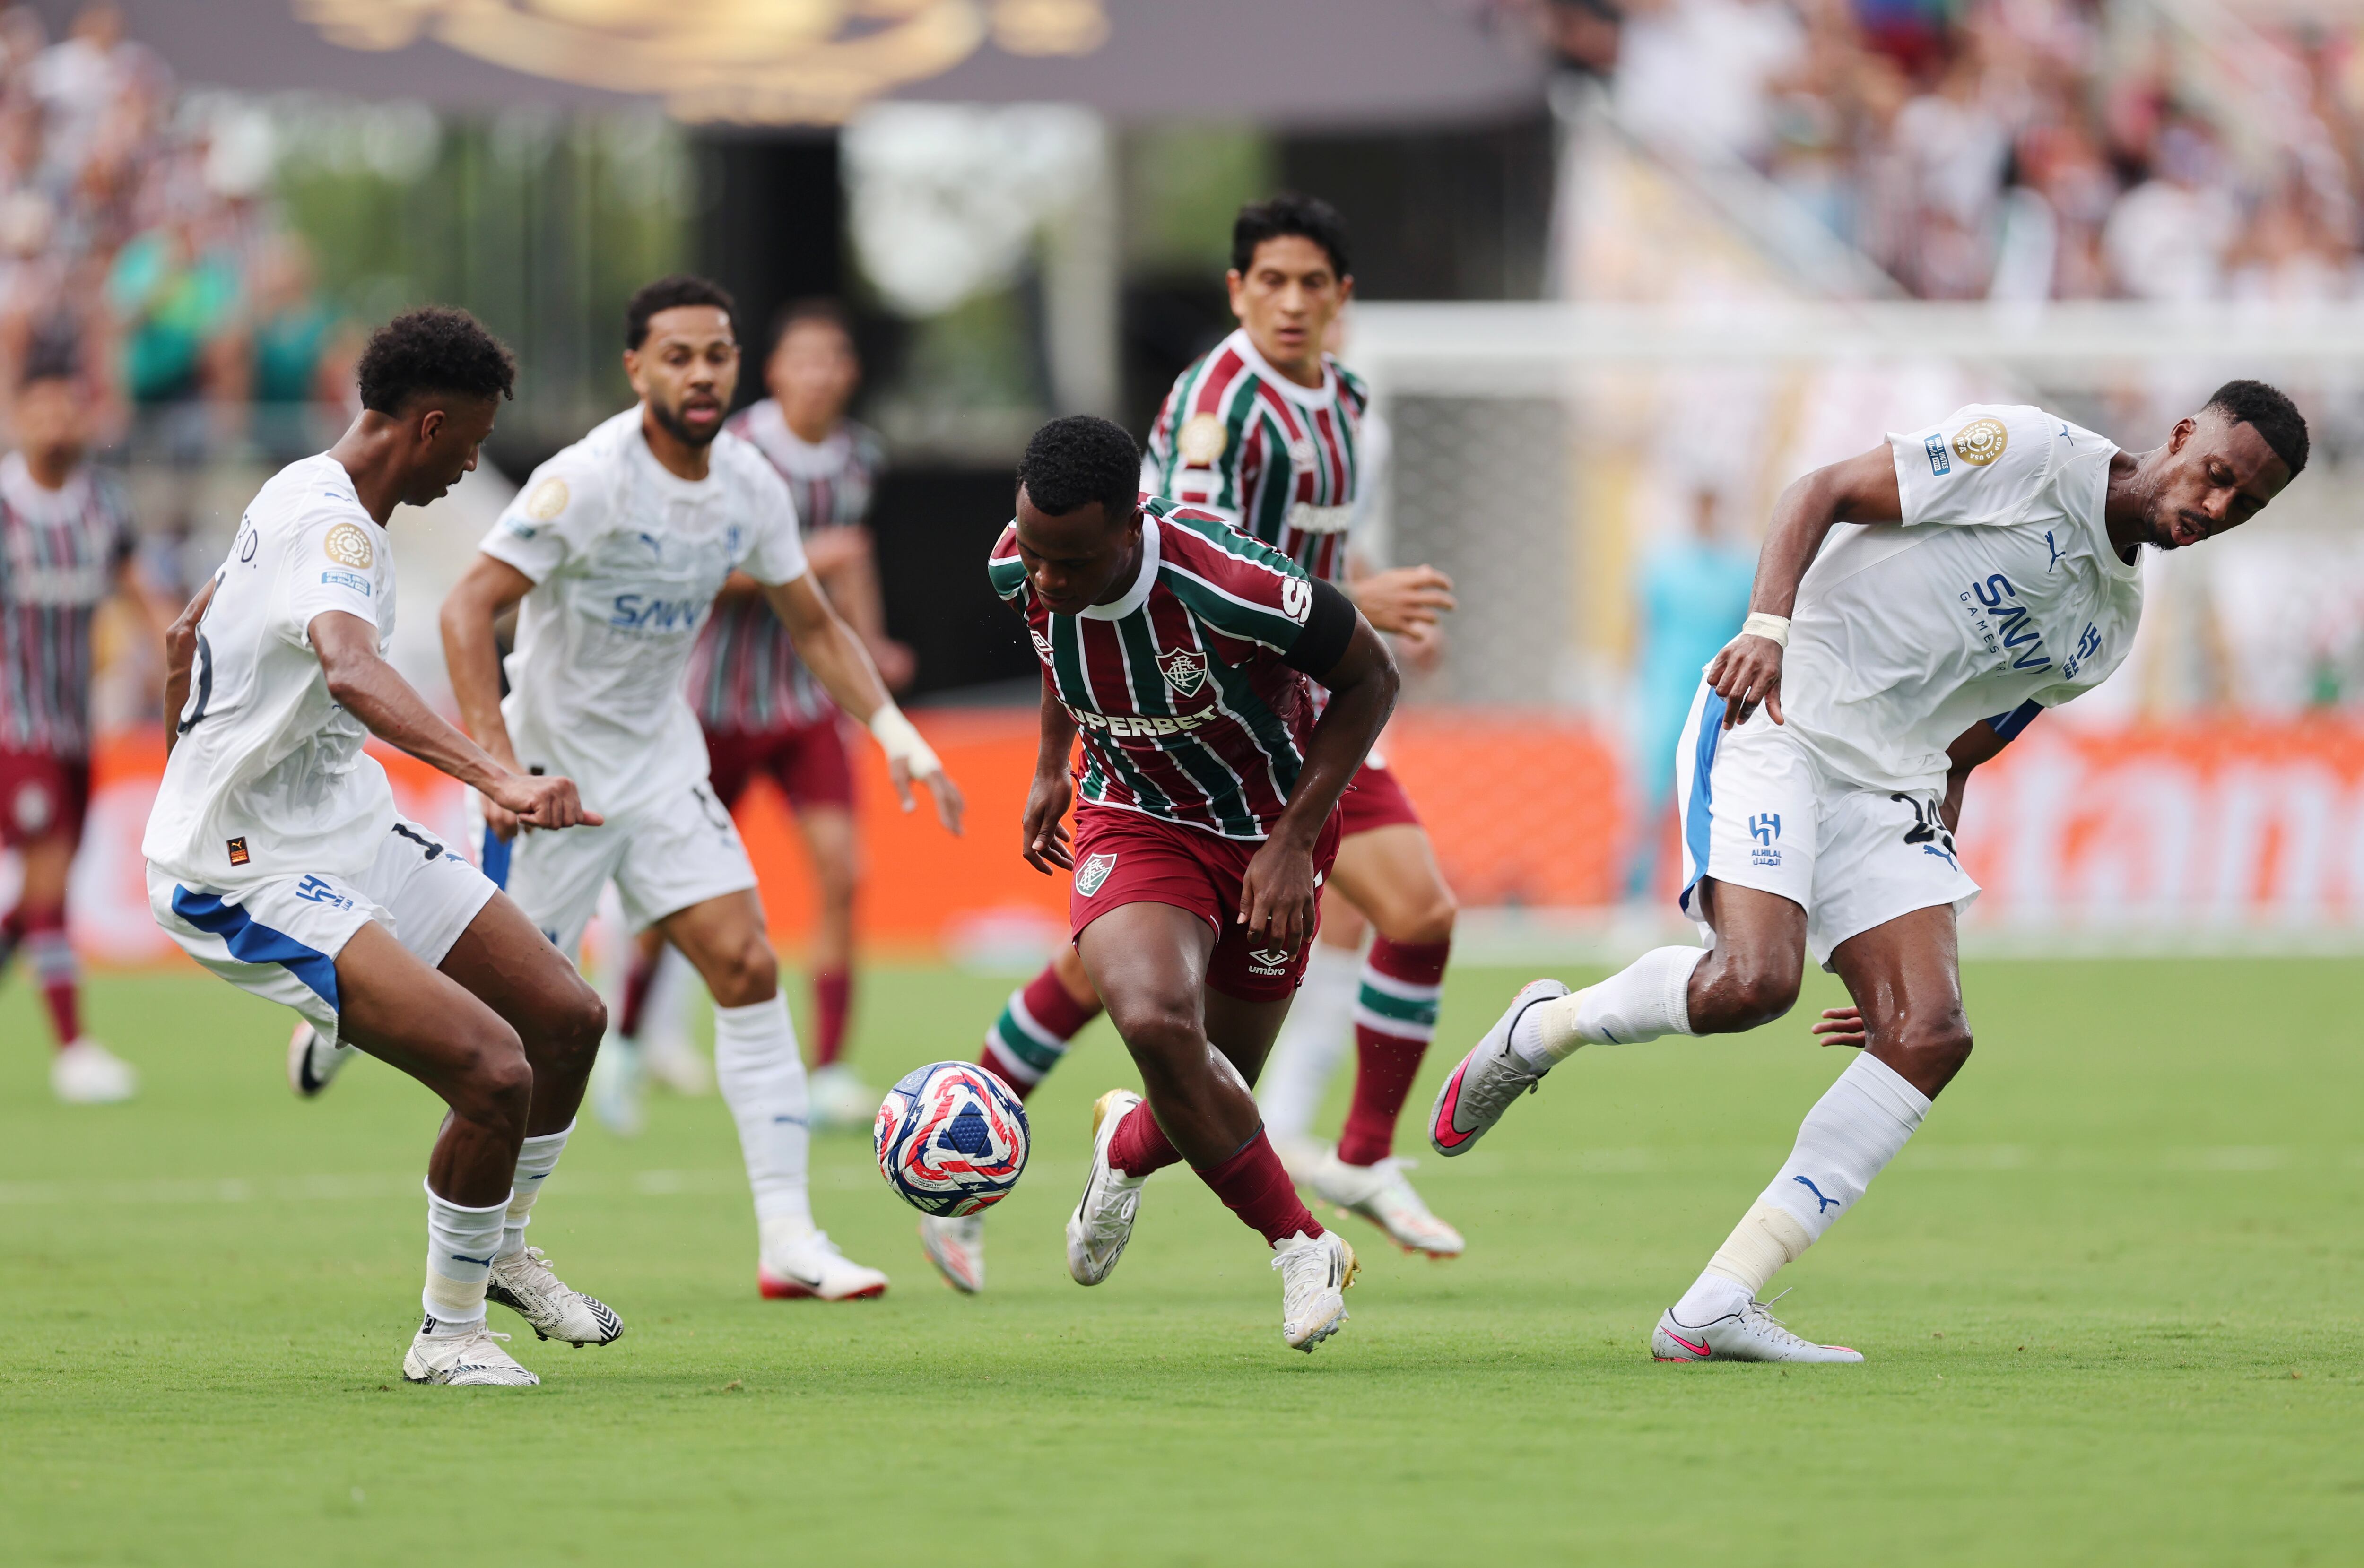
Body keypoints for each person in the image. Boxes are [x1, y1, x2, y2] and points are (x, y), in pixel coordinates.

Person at [1430, 382, 2308, 1361]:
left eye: (2247, 506)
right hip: (1781, 711)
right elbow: (1820, 489)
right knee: (1752, 983)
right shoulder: (2027, 451)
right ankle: (1543, 1026)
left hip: (1886, 784)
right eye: (2219, 476)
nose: (2218, 509)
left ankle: (1716, 1301)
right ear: (2182, 435)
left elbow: (1966, 747)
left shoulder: (2108, 627)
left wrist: (1906, 926)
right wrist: (1765, 627)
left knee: (1927, 1030)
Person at [928, 195, 1460, 1296]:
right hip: (1152, 768)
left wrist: (1353, 620)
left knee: (1209, 1067)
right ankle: (1316, 1211)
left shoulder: (1345, 403)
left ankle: (1127, 1142)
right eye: (1272, 280)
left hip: (1278, 750)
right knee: (1149, 1000)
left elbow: (1280, 586)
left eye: (1314, 282)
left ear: (1341, 296)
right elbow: (1103, 602)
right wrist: (1047, 764)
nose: (1293, 301)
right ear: (1236, 291)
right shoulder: (1217, 408)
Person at [437, 275, 963, 1304]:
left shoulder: (751, 486)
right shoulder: (588, 478)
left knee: (746, 961)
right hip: (553, 784)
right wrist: (496, 763)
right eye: (677, 355)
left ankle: (789, 1238)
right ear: (637, 369)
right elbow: (468, 609)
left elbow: (812, 621)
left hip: (662, 767)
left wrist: (895, 732)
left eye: (716, 353)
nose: (700, 372)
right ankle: (350, 1022)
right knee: (516, 1027)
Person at [145, 307, 618, 1387]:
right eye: (474, 438)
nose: (471, 462)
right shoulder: (342, 533)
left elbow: (185, 635)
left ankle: (500, 1245)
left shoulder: (297, 487)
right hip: (243, 864)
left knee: (567, 1017)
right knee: (493, 1065)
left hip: (345, 821)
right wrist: (496, 774)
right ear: (434, 422)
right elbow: (353, 669)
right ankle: (447, 1332)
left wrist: (191, 739)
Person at [992, 414, 1399, 1351]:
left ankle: (1122, 1147)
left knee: (1211, 1087)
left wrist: (1294, 839)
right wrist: (1053, 759)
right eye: (1035, 553)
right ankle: (1301, 1245)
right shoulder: (1020, 563)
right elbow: (1060, 646)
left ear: (1131, 522)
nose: (1045, 577)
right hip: (1132, 817)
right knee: (1156, 1022)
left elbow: (1371, 678)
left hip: (1269, 835)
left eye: (1069, 559)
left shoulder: (1232, 584)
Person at [605, 298, 911, 1133]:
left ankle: (834, 1072)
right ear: (773, 371)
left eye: (834, 358)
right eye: (803, 358)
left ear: (850, 373)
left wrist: (872, 644)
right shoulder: (736, 452)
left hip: (806, 704)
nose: (819, 373)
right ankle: (626, 1044)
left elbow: (855, 558)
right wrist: (807, 562)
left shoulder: (857, 457)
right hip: (717, 707)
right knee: (677, 894)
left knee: (844, 875)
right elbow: (707, 574)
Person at [0, 345, 154, 1101]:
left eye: (68, 406)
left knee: (36, 895)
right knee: (50, 878)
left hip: (71, 729)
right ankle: (73, 1051)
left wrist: (177, 657)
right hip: (10, 729)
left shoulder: (103, 506)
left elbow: (137, 591)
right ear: (18, 417)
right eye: (42, 408)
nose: (56, 421)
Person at [1624, 486, 1757, 900]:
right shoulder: (1662, 565)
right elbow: (1642, 628)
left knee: (1722, 795)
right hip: (1666, 691)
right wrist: (1632, 685)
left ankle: (1715, 894)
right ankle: (1636, 897)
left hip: (1721, 694)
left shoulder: (1741, 566)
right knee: (1650, 797)